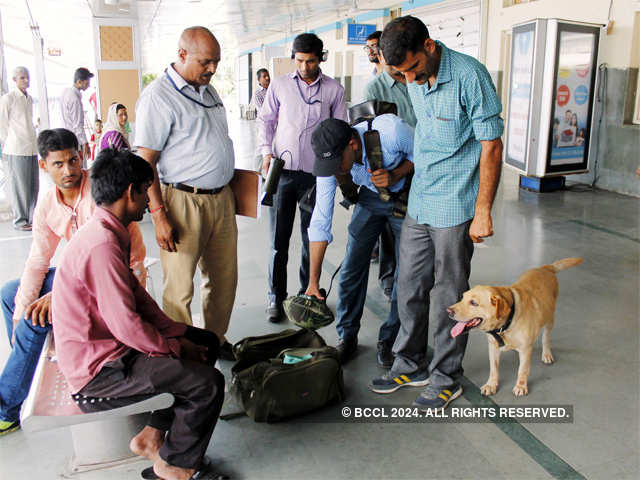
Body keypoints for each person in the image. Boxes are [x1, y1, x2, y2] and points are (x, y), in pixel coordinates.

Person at [51, 149, 225, 480]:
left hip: (112, 351)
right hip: (99, 374)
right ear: (130, 192)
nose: (149, 201)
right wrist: (174, 348)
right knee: (209, 383)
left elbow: (140, 301)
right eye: (146, 191)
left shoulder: (108, 230)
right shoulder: (101, 244)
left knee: (204, 342)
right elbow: (126, 325)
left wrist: (178, 334)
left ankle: (152, 437)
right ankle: (175, 467)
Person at [370, 16, 504, 411]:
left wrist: (483, 211)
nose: (408, 79)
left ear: (429, 46)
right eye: (400, 74)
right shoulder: (413, 78)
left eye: (412, 68)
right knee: (408, 286)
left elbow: (491, 147)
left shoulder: (469, 76)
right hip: (421, 201)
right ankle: (410, 362)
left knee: (450, 294)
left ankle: (447, 376)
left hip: (456, 206)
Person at [0, 128, 146, 436]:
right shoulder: (47, 204)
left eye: (73, 160)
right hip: (80, 273)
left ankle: (6, 409)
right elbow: (39, 261)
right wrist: (19, 313)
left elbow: (113, 266)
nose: (68, 171)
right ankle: (29, 365)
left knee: (35, 318)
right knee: (12, 296)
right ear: (43, 166)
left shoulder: (99, 194)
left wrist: (59, 295)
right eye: (58, 164)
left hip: (113, 278)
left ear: (81, 156)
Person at [135, 26, 237, 361]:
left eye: (216, 62)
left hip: (221, 199)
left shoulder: (209, 91)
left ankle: (214, 339)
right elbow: (146, 162)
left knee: (224, 280)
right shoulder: (158, 97)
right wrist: (159, 214)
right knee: (180, 287)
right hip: (181, 202)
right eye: (206, 62)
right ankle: (184, 354)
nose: (212, 69)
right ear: (182, 55)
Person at [307, 116, 413, 366]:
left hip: (406, 197)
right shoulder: (329, 164)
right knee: (352, 267)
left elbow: (423, 153)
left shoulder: (391, 131)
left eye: (336, 162)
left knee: (406, 274)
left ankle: (391, 339)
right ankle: (347, 336)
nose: (333, 170)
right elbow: (321, 219)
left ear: (353, 144)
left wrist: (396, 174)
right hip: (370, 198)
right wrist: (313, 281)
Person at [258, 32, 347, 323]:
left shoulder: (334, 89)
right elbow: (266, 120)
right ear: (293, 58)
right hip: (282, 173)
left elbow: (341, 128)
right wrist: (265, 152)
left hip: (317, 176)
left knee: (314, 236)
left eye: (310, 61)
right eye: (299, 61)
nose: (305, 67)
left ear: (320, 58)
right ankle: (275, 296)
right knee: (277, 240)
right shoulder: (281, 85)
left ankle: (308, 292)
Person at [363, 49, 418, 302]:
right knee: (388, 225)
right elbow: (374, 132)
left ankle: (408, 281)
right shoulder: (375, 88)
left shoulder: (415, 79)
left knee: (411, 225)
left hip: (417, 158)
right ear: (382, 58)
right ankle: (388, 277)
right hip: (393, 164)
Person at [0, 67, 38, 231]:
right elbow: (2, 123)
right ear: (14, 80)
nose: (26, 81)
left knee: (32, 185)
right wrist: (9, 140)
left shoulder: (29, 99)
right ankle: (20, 221)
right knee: (20, 186)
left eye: (27, 77)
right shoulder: (8, 98)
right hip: (16, 148)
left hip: (31, 148)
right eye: (22, 78)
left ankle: (31, 218)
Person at [60, 67, 94, 164]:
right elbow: (77, 125)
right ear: (79, 81)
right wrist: (85, 143)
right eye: (87, 82)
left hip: (66, 138)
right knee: (79, 168)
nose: (88, 85)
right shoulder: (74, 98)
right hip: (74, 140)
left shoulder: (66, 92)